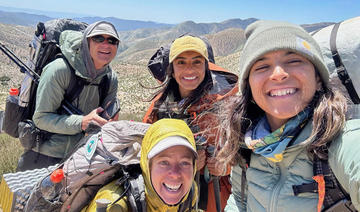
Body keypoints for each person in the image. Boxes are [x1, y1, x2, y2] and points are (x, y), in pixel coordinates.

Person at [215, 20, 360, 211]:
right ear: (249, 87)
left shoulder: (345, 143)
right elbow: (240, 200)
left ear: (318, 79)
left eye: (294, 61)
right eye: (261, 66)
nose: (278, 74)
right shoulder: (247, 145)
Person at [143, 35, 238, 211]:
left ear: (206, 66)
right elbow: (145, 153)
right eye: (181, 62)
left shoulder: (228, 102)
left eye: (196, 62)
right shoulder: (160, 106)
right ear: (171, 68)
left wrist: (228, 166)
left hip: (218, 195)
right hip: (173, 192)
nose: (189, 70)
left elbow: (252, 153)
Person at [16, 21, 120, 171]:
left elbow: (105, 119)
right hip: (44, 157)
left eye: (112, 40)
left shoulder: (110, 79)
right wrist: (82, 122)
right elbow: (41, 118)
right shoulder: (59, 70)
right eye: (98, 38)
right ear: (86, 42)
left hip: (82, 158)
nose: (106, 44)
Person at [82, 118, 198, 212]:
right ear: (147, 165)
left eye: (184, 163)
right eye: (164, 162)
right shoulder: (114, 204)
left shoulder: (190, 193)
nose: (175, 174)